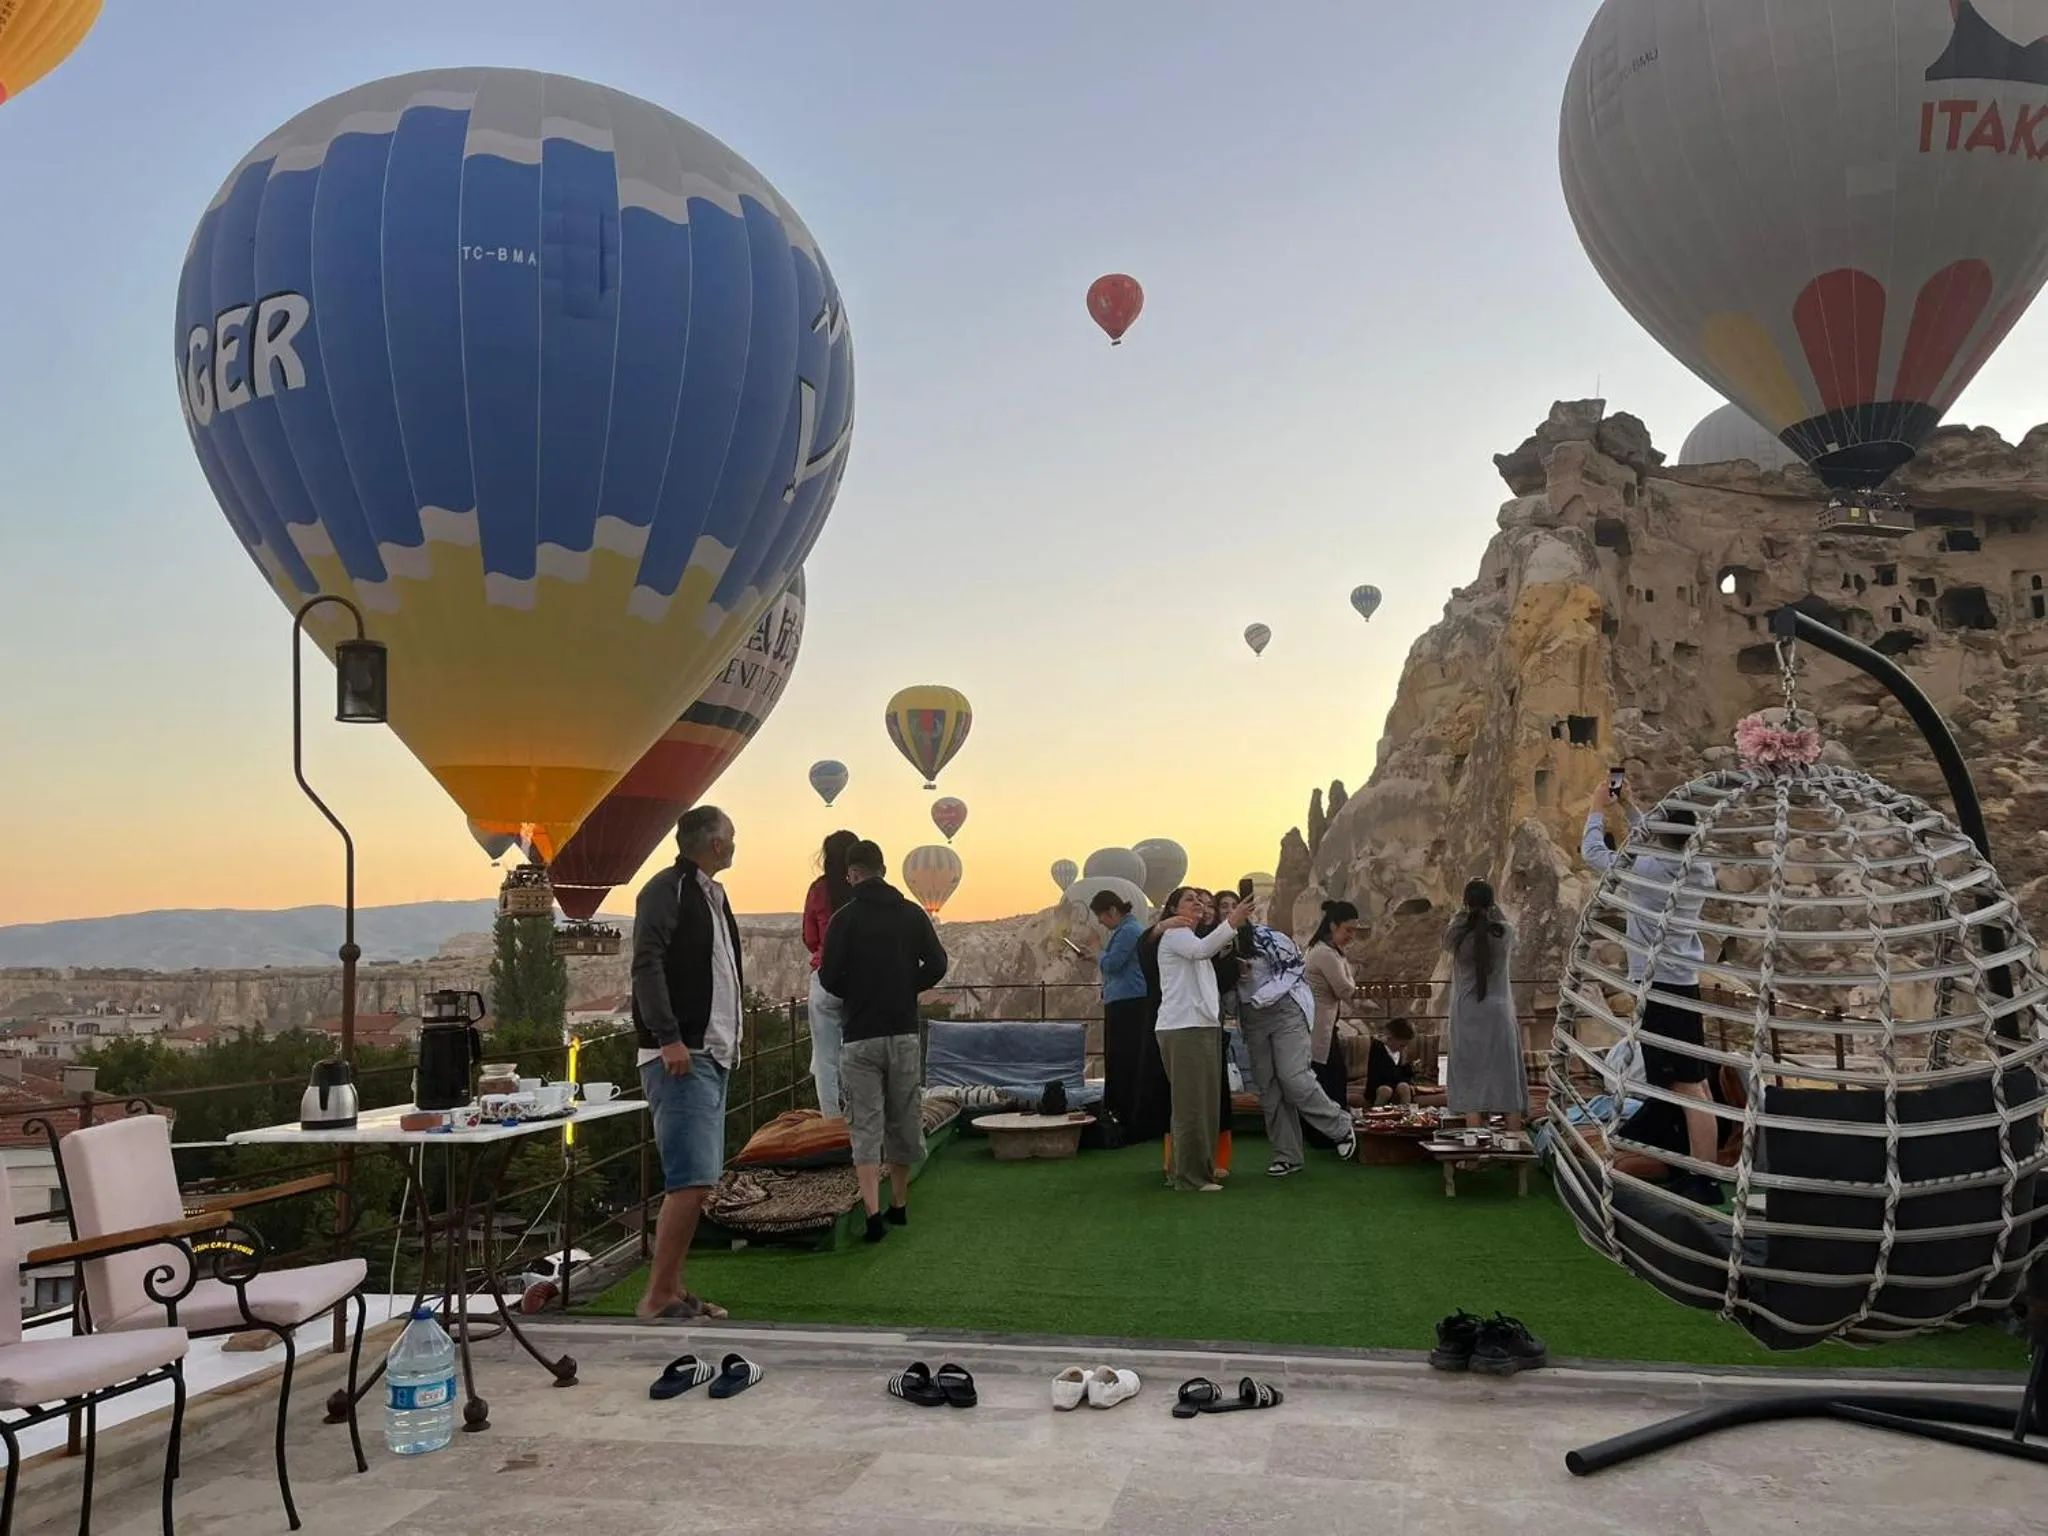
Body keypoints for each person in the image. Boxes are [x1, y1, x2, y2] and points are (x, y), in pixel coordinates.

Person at [1580, 778, 1722, 1203]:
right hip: (1684, 983)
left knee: (1687, 1088)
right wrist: (1629, 808)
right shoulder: (1699, 868)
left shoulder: (1650, 871)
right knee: (1694, 1083)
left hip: (1659, 986)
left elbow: (1594, 854)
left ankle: (1704, 1179)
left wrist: (1597, 808)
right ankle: (1699, 1170)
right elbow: (1661, 840)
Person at [629, 805, 743, 1321]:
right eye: (731, 836)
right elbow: (646, 963)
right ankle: (656, 1297)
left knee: (696, 1181)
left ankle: (673, 1289)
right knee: (689, 1180)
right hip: (682, 1055)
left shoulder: (709, 894)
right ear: (715, 843)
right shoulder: (666, 889)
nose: (735, 844)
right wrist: (668, 1036)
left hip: (710, 1053)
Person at [819, 840, 950, 1243]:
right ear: (885, 870)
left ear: (854, 874)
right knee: (903, 1118)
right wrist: (906, 985)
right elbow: (938, 963)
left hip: (860, 1035)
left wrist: (857, 991)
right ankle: (900, 1203)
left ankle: (873, 1214)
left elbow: (828, 976)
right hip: (903, 1030)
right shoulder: (911, 914)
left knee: (865, 1125)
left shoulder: (844, 919)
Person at [1143, 886, 1254, 1191]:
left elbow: (1206, 952)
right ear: (1173, 908)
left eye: (1199, 900)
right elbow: (1202, 950)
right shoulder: (1176, 934)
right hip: (1184, 1027)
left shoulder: (1191, 937)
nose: (1197, 904)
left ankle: (1191, 1169)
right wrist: (1232, 922)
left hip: (1200, 1026)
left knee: (1202, 1103)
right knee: (1191, 1105)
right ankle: (1190, 1177)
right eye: (1188, 899)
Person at [1236, 903, 1357, 1175]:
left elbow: (1293, 968)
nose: (1229, 913)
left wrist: (1262, 994)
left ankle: (1339, 1125)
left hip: (1285, 1010)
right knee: (1269, 1088)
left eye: (1233, 906)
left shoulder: (1268, 937)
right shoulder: (1216, 945)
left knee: (1293, 1076)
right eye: (1222, 908)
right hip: (1252, 1019)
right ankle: (1287, 1155)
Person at [1443, 879, 1529, 1130]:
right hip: (1499, 1013)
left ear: (1466, 903)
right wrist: (1492, 910)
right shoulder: (1504, 933)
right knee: (1507, 1083)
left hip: (1467, 1014)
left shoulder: (1458, 937)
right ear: (1492, 903)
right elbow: (1508, 928)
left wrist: (1465, 913)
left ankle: (1475, 1145)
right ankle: (1515, 1144)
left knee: (1471, 1084)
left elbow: (1449, 935)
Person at [1091, 888, 1166, 1142]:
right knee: (1121, 1058)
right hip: (1123, 1001)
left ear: (1112, 910)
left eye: (1102, 916)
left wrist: (1096, 952)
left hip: (1129, 1003)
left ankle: (1127, 1117)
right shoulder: (1126, 931)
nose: (1101, 922)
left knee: (1125, 1058)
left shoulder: (1128, 932)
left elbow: (1113, 964)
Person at [800, 829, 859, 1116]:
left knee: (825, 1056)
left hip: (825, 976)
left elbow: (810, 938)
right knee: (859, 1050)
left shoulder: (818, 890)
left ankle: (831, 1121)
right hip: (860, 976)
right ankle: (860, 1113)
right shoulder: (861, 889)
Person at [1303, 899, 1363, 1119]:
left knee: (1333, 1079)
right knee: (1330, 1082)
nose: (1351, 936)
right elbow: (1345, 989)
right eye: (1348, 930)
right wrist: (1353, 982)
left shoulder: (1331, 951)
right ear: (1333, 926)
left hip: (1326, 1028)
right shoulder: (1324, 953)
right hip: (1319, 1029)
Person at [1364, 1018, 1419, 1106]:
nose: (1403, 1049)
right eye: (1401, 1046)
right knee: (1385, 1091)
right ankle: (1377, 1112)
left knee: (1404, 1087)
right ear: (1390, 1038)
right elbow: (1377, 1075)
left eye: (1405, 1046)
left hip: (1396, 1083)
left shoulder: (1402, 1052)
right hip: (1379, 1085)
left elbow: (1407, 1074)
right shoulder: (1377, 1048)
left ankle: (1405, 1112)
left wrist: (1409, 1080)